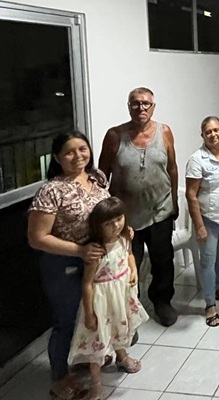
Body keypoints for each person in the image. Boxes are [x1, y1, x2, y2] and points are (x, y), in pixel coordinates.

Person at [28, 132, 111, 400]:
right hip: (64, 263)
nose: (78, 156)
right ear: (57, 157)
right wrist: (80, 250)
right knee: (65, 322)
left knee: (92, 315)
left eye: (82, 149)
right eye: (69, 152)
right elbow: (37, 238)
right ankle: (59, 379)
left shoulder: (96, 178)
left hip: (96, 260)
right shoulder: (51, 190)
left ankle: (85, 359)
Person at [99, 87, 179, 327]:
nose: (141, 108)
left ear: (153, 107)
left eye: (146, 104)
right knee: (126, 265)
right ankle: (128, 311)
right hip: (125, 218)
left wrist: (174, 201)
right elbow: (102, 174)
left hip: (160, 210)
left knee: (163, 261)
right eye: (135, 103)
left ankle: (162, 302)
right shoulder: (115, 136)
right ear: (129, 107)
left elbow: (172, 168)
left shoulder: (165, 132)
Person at [68, 197, 149, 400]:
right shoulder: (96, 251)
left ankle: (122, 357)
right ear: (98, 226)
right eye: (108, 223)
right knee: (98, 340)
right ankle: (96, 383)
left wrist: (133, 271)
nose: (116, 226)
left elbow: (129, 255)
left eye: (119, 219)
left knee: (119, 328)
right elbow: (87, 284)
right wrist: (89, 313)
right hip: (101, 301)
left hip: (120, 295)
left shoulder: (124, 238)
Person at [185, 116, 219, 327]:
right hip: (208, 218)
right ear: (202, 135)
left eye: (216, 130)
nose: (213, 134)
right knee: (208, 260)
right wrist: (199, 226)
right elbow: (191, 195)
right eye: (208, 132)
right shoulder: (197, 160)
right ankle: (210, 304)